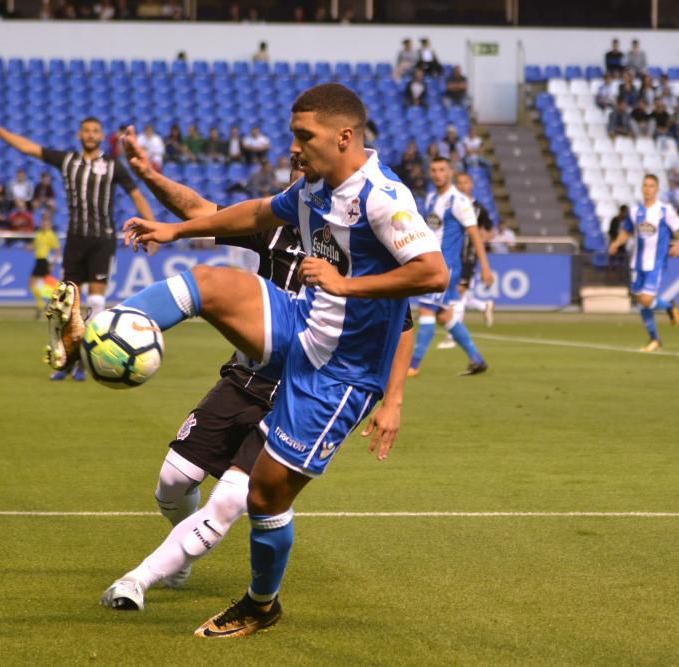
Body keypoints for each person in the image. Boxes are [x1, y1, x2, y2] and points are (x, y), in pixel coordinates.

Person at [46, 83, 447, 636]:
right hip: (300, 322)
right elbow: (255, 212)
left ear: (345, 136)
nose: (294, 147)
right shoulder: (313, 189)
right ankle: (89, 331)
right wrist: (175, 230)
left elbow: (433, 273)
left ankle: (261, 604)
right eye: (293, 136)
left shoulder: (383, 196)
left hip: (341, 373)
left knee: (264, 495)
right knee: (209, 284)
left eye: (304, 136)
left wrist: (344, 286)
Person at [0, 110, 153, 380]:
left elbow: (137, 194)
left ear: (101, 136)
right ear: (79, 135)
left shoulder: (114, 165)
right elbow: (28, 147)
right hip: (75, 240)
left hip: (102, 239)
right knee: (69, 304)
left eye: (95, 131)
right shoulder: (67, 160)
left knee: (96, 300)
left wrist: (151, 227)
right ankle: (69, 358)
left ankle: (87, 359)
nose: (91, 135)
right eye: (86, 131)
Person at [408, 157, 493, 377]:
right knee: (444, 316)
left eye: (442, 170)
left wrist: (484, 267)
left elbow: (474, 234)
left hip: (446, 267)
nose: (437, 174)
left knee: (426, 309)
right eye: (434, 170)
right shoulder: (430, 199)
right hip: (431, 262)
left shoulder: (459, 201)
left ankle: (414, 365)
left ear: (451, 172)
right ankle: (476, 359)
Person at [607, 175, 679, 352]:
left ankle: (670, 307)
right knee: (641, 302)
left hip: (655, 262)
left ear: (657, 189)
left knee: (647, 299)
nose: (648, 189)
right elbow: (627, 231)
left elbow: (677, 228)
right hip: (637, 264)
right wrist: (616, 243)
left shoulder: (664, 210)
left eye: (651, 186)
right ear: (641, 188)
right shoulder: (634, 211)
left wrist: (677, 244)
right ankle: (655, 339)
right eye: (645, 185)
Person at [438, 173, 495, 349]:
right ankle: (484, 305)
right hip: (452, 254)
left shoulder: (478, 208)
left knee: (459, 291)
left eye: (466, 182)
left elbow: (489, 230)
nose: (463, 185)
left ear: (471, 185)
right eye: (460, 182)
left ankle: (452, 334)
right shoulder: (450, 202)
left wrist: (483, 237)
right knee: (455, 292)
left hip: (468, 256)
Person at [29, 212, 60, 318]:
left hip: (44, 261)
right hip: (38, 261)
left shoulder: (51, 235)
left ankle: (42, 304)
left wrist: (52, 263)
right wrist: (29, 247)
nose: (44, 224)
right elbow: (33, 246)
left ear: (50, 224)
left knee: (39, 283)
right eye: (43, 222)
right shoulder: (38, 234)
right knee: (40, 284)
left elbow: (57, 251)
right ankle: (47, 303)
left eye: (46, 223)